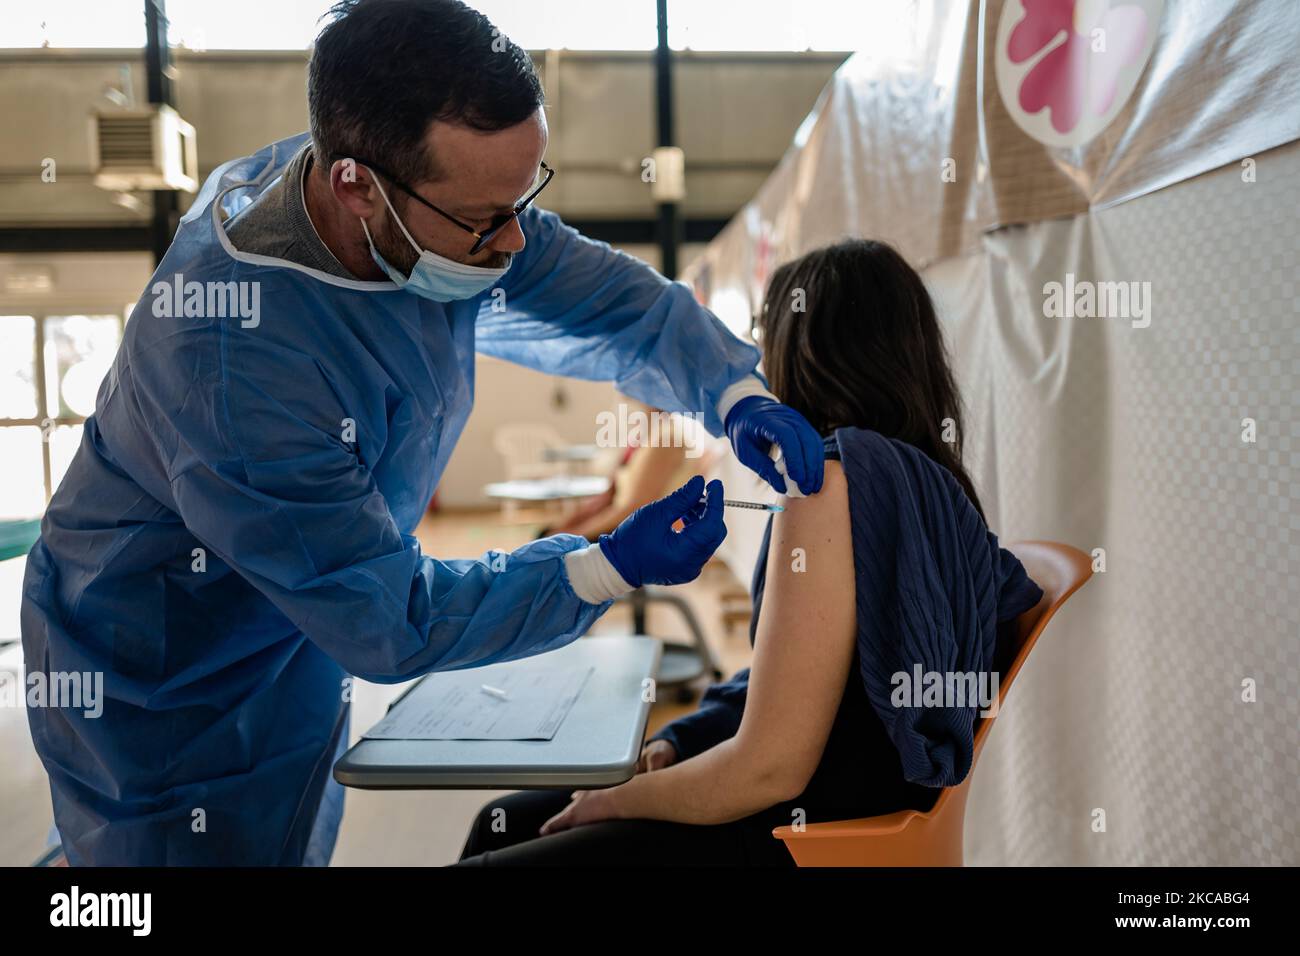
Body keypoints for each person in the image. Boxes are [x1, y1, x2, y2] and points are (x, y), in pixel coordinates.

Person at [20, 0, 825, 866]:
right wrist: (603, 567)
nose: (516, 238)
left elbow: (613, 303)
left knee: (286, 835)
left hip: (291, 632)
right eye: (488, 217)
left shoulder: (422, 217)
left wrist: (736, 391)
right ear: (355, 184)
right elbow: (391, 621)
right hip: (163, 663)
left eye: (527, 197)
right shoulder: (234, 356)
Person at [455, 239, 1044, 866]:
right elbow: (806, 679)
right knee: (505, 822)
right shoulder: (934, 481)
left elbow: (769, 771)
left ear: (805, 348)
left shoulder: (829, 484)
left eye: (765, 335)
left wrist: (622, 799)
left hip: (807, 836)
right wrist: (683, 740)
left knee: (508, 830)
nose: (757, 359)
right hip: (856, 804)